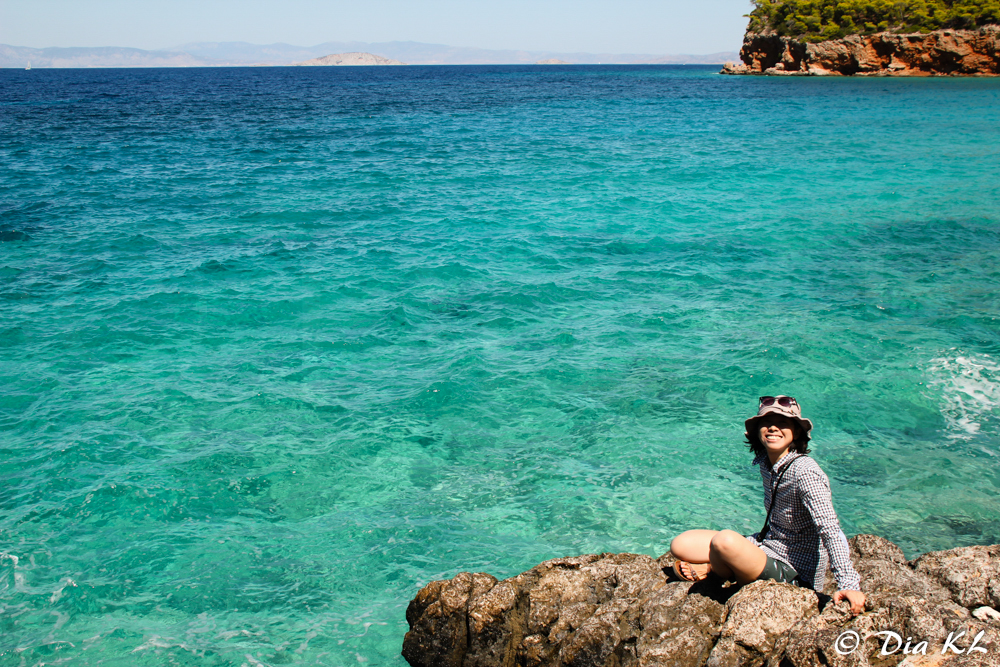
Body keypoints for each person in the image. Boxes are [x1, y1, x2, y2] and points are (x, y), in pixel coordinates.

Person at [669, 395, 866, 615]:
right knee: (681, 544)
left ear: (796, 433)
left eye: (782, 423)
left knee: (724, 541)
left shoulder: (805, 472)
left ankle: (715, 572)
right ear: (757, 432)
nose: (773, 428)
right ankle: (724, 566)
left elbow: (830, 529)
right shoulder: (767, 463)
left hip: (794, 572)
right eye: (767, 423)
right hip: (767, 545)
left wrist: (849, 584)